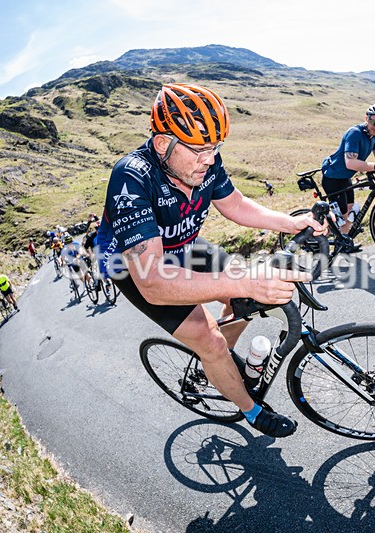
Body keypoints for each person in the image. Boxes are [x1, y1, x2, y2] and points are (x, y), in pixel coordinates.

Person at [95, 83, 328, 438]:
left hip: (184, 244)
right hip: (136, 267)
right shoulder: (132, 176)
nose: (210, 158)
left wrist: (290, 221)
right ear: (163, 144)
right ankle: (249, 409)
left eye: (215, 148)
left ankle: (216, 365)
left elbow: (234, 204)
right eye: (200, 150)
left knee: (243, 299)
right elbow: (154, 283)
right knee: (209, 337)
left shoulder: (206, 161)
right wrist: (246, 281)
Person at [321, 104, 375, 234]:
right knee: (342, 218)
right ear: (367, 118)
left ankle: (344, 243)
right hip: (333, 178)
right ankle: (318, 237)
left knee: (349, 211)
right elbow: (350, 163)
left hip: (345, 178)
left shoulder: (373, 135)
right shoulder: (355, 133)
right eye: (374, 122)